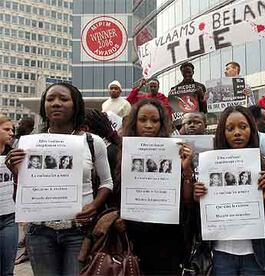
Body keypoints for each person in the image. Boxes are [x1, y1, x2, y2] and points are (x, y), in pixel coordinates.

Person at [6, 82, 113, 276]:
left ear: (76, 105)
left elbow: (107, 183)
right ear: (44, 106)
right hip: (39, 233)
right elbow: (19, 198)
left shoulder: (92, 142)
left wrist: (95, 205)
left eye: (63, 99)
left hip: (79, 232)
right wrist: (16, 174)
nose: (56, 103)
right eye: (50, 99)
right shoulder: (29, 144)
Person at [194, 106, 265, 275]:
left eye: (243, 126)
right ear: (222, 133)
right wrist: (199, 198)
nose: (237, 133)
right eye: (230, 128)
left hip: (258, 256)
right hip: (221, 255)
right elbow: (199, 219)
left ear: (252, 129)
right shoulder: (209, 166)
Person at [121, 98, 195, 275]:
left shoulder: (175, 151)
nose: (149, 125)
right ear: (134, 122)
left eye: (155, 121)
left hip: (166, 237)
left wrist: (186, 170)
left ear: (162, 124)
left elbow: (187, 200)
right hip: (133, 236)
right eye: (143, 120)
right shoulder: (121, 152)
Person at [0, 115, 17, 276]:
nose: (11, 133)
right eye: (6, 129)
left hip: (9, 218)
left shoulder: (14, 155)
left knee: (7, 271)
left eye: (12, 129)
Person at [169, 62, 207, 128]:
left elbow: (204, 110)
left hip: (197, 122)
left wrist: (201, 96)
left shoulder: (200, 87)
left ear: (193, 72)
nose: (187, 74)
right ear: (181, 73)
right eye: (185, 72)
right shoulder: (175, 89)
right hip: (181, 124)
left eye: (189, 72)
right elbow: (173, 109)